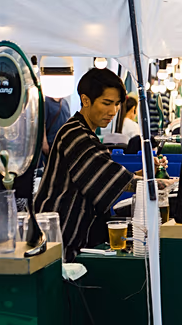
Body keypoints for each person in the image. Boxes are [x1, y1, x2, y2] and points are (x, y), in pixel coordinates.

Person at [35, 68, 167, 261]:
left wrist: (146, 173)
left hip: (71, 235)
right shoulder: (76, 135)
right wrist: (163, 185)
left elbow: (107, 175)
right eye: (106, 103)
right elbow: (115, 180)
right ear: (86, 100)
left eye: (116, 104)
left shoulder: (85, 132)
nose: (113, 111)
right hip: (60, 238)